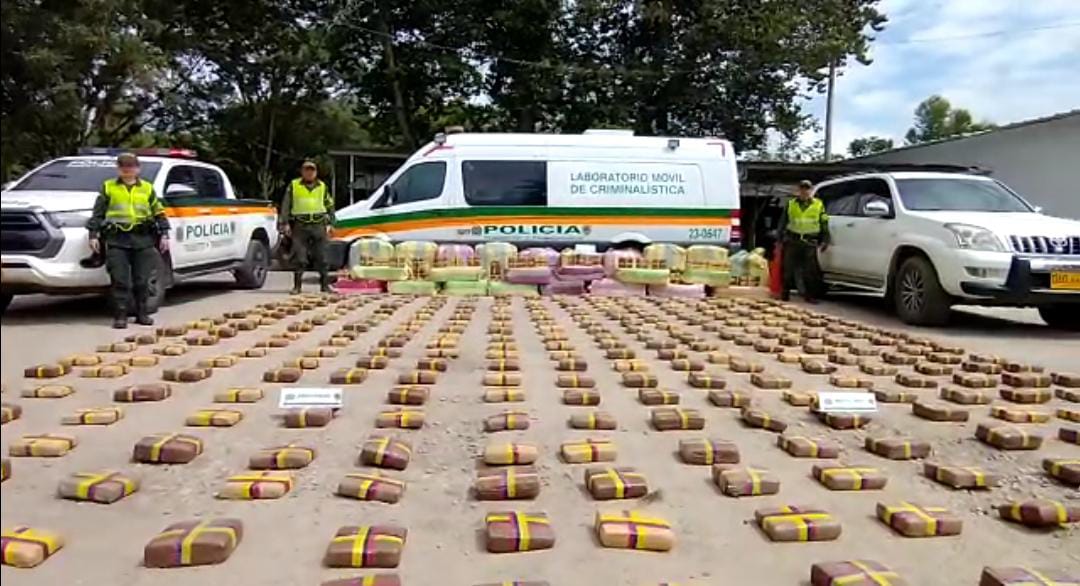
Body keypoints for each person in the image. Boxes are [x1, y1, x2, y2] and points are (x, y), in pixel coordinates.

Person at [87, 153, 171, 328]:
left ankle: (142, 314)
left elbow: (158, 212)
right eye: (124, 167)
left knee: (142, 280)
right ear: (119, 168)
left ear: (137, 169)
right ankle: (121, 316)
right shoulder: (109, 187)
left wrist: (165, 233)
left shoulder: (147, 188)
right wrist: (93, 234)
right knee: (120, 279)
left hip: (143, 238)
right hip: (117, 239)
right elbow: (98, 213)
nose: (128, 170)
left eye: (131, 167)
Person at [279, 160, 335, 294]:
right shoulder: (294, 185)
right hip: (300, 225)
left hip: (319, 225)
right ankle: (297, 286)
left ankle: (324, 285)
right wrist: (285, 222)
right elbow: (286, 204)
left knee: (322, 256)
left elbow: (330, 205)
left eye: (312, 170)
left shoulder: (322, 186)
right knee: (299, 257)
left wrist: (332, 223)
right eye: (306, 170)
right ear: (302, 171)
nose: (309, 173)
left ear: (316, 172)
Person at [777, 179, 829, 303]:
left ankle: (809, 296)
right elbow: (783, 221)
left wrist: (825, 239)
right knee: (788, 269)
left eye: (807, 189)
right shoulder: (791, 204)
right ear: (798, 190)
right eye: (802, 189)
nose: (804, 192)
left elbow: (824, 222)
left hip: (809, 242)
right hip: (792, 240)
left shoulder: (818, 204)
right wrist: (779, 238)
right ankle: (785, 294)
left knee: (810, 271)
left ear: (811, 191)